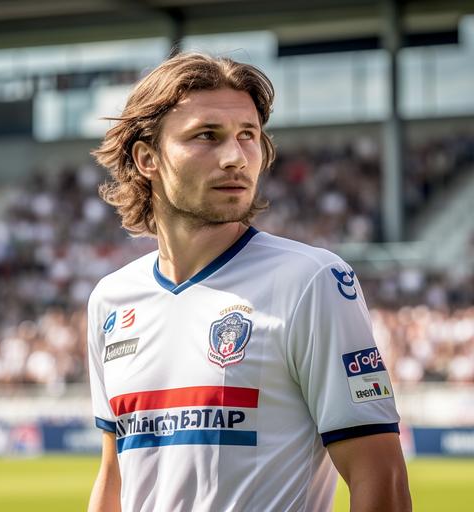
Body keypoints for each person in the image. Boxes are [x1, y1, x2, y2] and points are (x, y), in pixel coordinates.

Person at [87, 52, 412, 512]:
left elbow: (382, 476)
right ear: (146, 158)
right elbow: (114, 477)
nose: (235, 157)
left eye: (248, 136)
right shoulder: (110, 300)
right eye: (207, 136)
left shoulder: (312, 280)